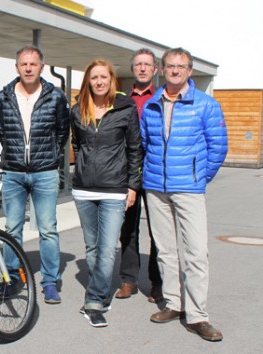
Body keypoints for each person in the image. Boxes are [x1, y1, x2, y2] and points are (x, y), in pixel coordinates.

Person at [141, 47, 227, 342]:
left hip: (188, 188)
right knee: (165, 251)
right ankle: (174, 304)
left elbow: (218, 147)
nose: (175, 70)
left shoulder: (205, 105)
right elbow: (144, 144)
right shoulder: (153, 103)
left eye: (181, 66)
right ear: (162, 70)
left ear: (190, 71)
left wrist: (199, 178)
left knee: (195, 252)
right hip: (155, 188)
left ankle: (198, 315)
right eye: (170, 66)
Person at [0, 46, 69, 304]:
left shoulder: (56, 97)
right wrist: (15, 156)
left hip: (45, 171)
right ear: (17, 67)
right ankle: (11, 277)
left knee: (48, 229)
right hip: (14, 172)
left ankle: (50, 280)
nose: (28, 68)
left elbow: (62, 132)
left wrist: (50, 158)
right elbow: (1, 131)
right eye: (23, 64)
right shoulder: (3, 96)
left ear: (41, 67)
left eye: (33, 64)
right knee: (12, 228)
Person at [71, 59, 143, 327]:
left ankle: (95, 298)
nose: (99, 82)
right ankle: (98, 291)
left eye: (103, 77)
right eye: (94, 78)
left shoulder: (125, 109)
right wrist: (82, 167)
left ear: (112, 80)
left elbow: (135, 148)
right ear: (88, 82)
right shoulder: (77, 110)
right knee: (92, 246)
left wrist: (132, 185)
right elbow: (77, 145)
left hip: (115, 190)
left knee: (108, 247)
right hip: (84, 189)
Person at [115, 48, 163, 302]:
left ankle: (157, 282)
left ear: (155, 70)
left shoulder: (164, 97)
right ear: (132, 69)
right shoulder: (122, 99)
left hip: (155, 171)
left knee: (158, 230)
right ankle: (128, 280)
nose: (143, 68)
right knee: (128, 228)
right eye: (138, 64)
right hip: (127, 172)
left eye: (147, 64)